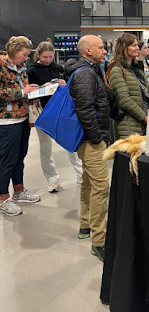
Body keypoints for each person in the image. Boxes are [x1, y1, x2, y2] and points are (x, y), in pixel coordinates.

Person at [64, 35, 110, 262]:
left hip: (87, 139)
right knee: (101, 187)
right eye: (101, 47)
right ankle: (99, 241)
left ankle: (85, 225)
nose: (105, 50)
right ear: (88, 51)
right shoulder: (85, 73)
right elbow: (84, 109)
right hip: (90, 140)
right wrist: (96, 139)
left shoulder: (90, 70)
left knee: (89, 182)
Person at [27, 41, 82, 192]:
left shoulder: (59, 68)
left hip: (61, 109)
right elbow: (28, 93)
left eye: (51, 56)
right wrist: (42, 87)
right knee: (45, 148)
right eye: (45, 57)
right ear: (38, 55)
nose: (48, 59)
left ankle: (81, 175)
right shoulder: (31, 70)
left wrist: (64, 84)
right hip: (42, 112)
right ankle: (52, 179)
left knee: (71, 143)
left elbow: (69, 89)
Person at [0, 36, 41, 217]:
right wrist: (21, 92)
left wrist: (40, 88)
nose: (27, 58)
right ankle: (3, 198)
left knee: (19, 158)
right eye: (24, 55)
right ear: (13, 51)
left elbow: (24, 89)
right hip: (6, 121)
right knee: (6, 161)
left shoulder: (21, 68)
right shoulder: (1, 66)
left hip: (22, 118)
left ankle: (19, 190)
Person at [108, 34, 149, 140]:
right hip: (128, 124)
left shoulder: (137, 68)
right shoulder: (117, 70)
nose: (137, 48)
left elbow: (148, 91)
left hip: (145, 122)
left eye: (137, 45)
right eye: (134, 45)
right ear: (124, 47)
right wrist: (144, 117)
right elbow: (124, 100)